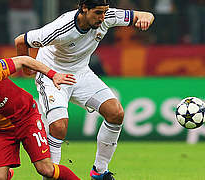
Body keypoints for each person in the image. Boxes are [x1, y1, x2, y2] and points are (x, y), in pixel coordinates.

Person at [14, 0, 154, 179]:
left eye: (104, 12)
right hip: (52, 76)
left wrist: (146, 18)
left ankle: (100, 171)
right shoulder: (61, 28)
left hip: (80, 73)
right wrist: (28, 70)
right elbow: (21, 40)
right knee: (58, 126)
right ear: (83, 9)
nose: (102, 17)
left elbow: (142, 15)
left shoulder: (107, 16)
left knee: (116, 113)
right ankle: (50, 177)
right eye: (97, 13)